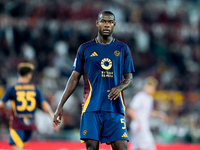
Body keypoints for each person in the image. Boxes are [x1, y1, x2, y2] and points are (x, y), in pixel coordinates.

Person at [53, 10, 135, 150]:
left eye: (110, 22)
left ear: (114, 25)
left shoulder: (122, 49)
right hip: (91, 107)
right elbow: (74, 78)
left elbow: (129, 78)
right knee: (91, 148)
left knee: (122, 148)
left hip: (114, 109)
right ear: (97, 23)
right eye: (103, 21)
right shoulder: (85, 49)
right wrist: (60, 105)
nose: (106, 25)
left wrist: (120, 87)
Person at [0, 62, 57, 150]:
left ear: (19, 74)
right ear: (29, 75)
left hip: (17, 124)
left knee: (18, 148)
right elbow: (44, 104)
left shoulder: (13, 89)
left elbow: (1, 104)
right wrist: (52, 116)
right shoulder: (34, 88)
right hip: (29, 125)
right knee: (21, 147)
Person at [127, 77, 167, 150]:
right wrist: (137, 122)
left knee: (136, 147)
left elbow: (149, 113)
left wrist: (160, 114)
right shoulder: (140, 96)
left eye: (153, 87)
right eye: (151, 87)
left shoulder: (149, 98)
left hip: (143, 126)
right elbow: (130, 110)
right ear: (146, 86)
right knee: (150, 146)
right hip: (139, 126)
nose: (152, 89)